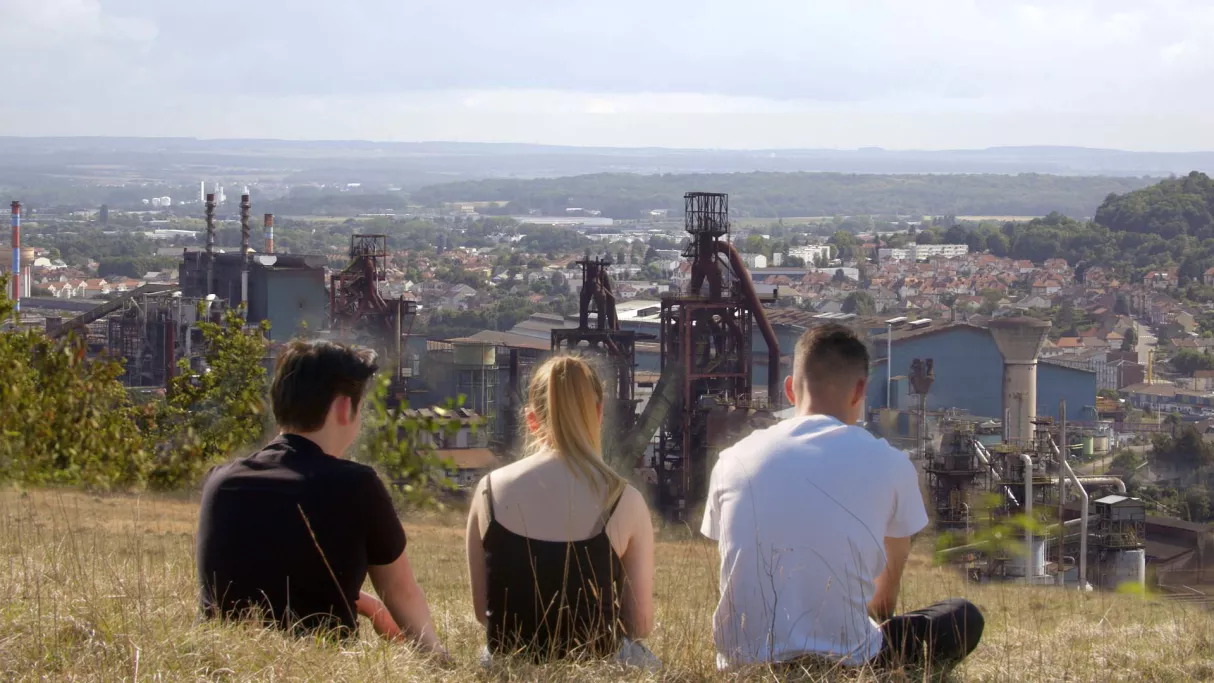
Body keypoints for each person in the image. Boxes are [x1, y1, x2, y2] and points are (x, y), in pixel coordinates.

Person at [701, 323, 983, 673]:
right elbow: (883, 602)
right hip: (850, 661)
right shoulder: (891, 463)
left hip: (743, 662)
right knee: (964, 615)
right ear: (860, 390)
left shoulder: (732, 459)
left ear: (790, 390)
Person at [196, 340, 445, 655]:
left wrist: (367, 604)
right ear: (343, 407)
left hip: (223, 662)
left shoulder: (221, 482)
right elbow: (400, 592)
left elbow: (272, 575)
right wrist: (440, 661)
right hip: (319, 663)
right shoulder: (356, 485)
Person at [464, 355, 658, 666]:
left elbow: (483, 612)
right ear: (598, 414)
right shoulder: (623, 498)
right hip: (599, 663)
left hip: (508, 662)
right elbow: (640, 625)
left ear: (531, 420)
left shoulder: (488, 490)